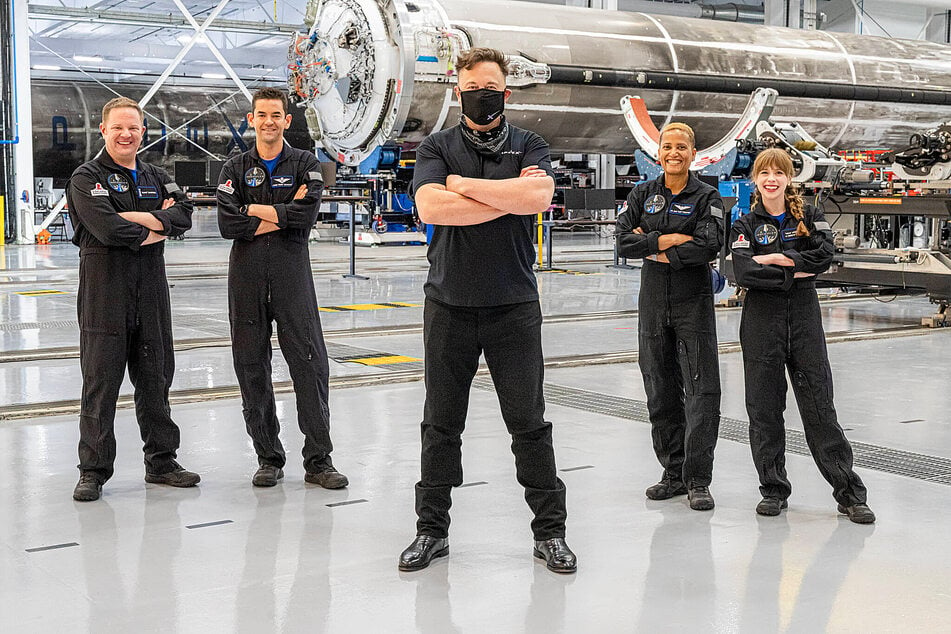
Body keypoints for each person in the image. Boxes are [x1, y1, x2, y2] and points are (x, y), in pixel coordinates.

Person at [397, 47, 576, 574]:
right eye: (472, 87)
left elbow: (539, 197)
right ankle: (431, 531)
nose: (481, 94)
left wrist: (465, 187)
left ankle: (551, 534)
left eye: (490, 88)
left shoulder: (530, 144)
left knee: (528, 423)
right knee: (441, 423)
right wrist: (505, 194)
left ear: (506, 92)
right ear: (458, 92)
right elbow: (431, 208)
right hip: (448, 306)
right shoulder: (436, 144)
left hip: (513, 307)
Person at [729, 147, 874, 523]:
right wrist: (797, 268)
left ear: (789, 178)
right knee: (764, 410)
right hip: (761, 322)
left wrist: (777, 260)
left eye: (779, 172)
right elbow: (743, 273)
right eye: (765, 173)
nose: (772, 179)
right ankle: (774, 490)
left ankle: (849, 493)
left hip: (804, 319)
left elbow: (825, 256)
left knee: (819, 408)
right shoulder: (744, 224)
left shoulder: (810, 215)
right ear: (755, 180)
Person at [67, 96, 199, 501]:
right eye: (118, 127)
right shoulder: (86, 178)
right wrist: (158, 224)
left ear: (143, 132)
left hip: (151, 289)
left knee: (156, 377)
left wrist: (139, 220)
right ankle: (93, 469)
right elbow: (107, 230)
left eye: (134, 128)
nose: (126, 134)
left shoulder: (157, 175)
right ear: (104, 130)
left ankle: (161, 461)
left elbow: (185, 215)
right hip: (104, 290)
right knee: (101, 381)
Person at [216, 87, 347, 490]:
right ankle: (268, 457)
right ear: (251, 120)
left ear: (287, 121)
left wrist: (253, 209)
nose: (269, 121)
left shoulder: (306, 162)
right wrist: (282, 214)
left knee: (309, 366)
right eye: (262, 115)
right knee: (251, 367)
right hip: (247, 279)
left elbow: (306, 217)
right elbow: (227, 224)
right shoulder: (234, 167)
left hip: (292, 277)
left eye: (277, 115)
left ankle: (319, 460)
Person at [615, 123, 724, 511]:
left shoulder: (707, 196)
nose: (673, 153)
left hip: (692, 303)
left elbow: (709, 243)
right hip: (652, 305)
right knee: (659, 390)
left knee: (700, 390)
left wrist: (653, 247)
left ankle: (697, 479)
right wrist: (670, 239)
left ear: (693, 154)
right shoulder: (643, 193)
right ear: (657, 153)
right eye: (667, 147)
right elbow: (623, 240)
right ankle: (673, 473)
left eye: (681, 147)